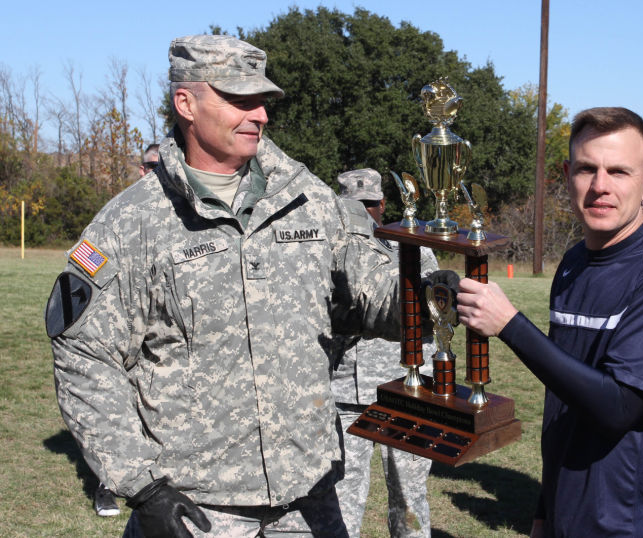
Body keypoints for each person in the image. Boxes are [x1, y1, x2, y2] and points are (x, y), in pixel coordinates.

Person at [45, 34, 419, 537]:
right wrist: (140, 484)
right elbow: (84, 354)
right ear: (186, 103)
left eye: (262, 101)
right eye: (239, 100)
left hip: (307, 497)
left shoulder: (306, 197)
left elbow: (372, 294)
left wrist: (428, 297)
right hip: (196, 507)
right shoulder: (130, 224)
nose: (260, 115)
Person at [456, 107, 643, 536]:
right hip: (569, 516)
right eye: (586, 169)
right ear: (565, 173)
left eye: (619, 171)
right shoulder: (574, 262)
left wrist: (510, 325)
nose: (600, 186)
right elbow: (565, 404)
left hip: (641, 523)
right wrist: (544, 512)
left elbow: (620, 408)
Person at [332, 168, 435, 538]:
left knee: (409, 499)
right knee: (342, 499)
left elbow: (433, 317)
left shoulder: (414, 249)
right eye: (356, 207)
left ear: (383, 204)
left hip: (405, 395)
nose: (366, 214)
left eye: (371, 205)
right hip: (344, 394)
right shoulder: (328, 253)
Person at [92, 142, 163, 518]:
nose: (157, 172)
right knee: (118, 407)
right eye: (152, 165)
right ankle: (107, 487)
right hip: (122, 332)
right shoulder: (121, 213)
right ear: (141, 169)